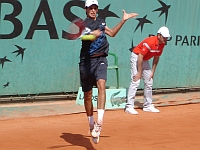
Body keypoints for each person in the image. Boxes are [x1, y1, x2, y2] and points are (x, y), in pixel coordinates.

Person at [79, 0, 138, 144]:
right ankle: (91, 124)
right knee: (87, 96)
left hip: (101, 60)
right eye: (90, 8)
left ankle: (99, 123)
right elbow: (83, 36)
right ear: (86, 10)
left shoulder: (102, 22)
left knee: (102, 84)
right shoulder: (83, 24)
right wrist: (94, 34)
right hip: (86, 62)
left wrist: (122, 21)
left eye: (95, 8)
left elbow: (112, 33)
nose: (93, 10)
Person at [125, 26, 171, 115]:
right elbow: (140, 56)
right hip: (137, 56)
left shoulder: (162, 44)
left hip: (144, 59)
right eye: (164, 37)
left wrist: (152, 71)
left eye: (167, 37)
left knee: (149, 81)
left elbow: (156, 57)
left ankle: (147, 106)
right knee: (136, 81)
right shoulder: (149, 42)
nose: (165, 39)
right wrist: (139, 72)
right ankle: (129, 106)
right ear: (159, 35)